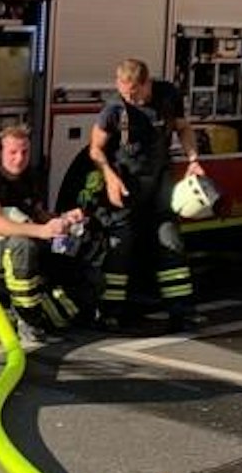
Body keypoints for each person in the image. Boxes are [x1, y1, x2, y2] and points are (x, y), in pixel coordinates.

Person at [87, 57, 206, 332]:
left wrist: (193, 159)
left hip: (160, 180)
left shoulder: (167, 97)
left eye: (135, 93)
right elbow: (95, 149)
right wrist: (110, 177)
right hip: (126, 184)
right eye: (125, 92)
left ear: (147, 83)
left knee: (170, 242)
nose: (130, 98)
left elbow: (183, 128)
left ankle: (182, 312)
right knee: (120, 246)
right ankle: (109, 312)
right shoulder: (114, 109)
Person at [0, 124, 83, 345]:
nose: (19, 158)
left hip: (28, 239)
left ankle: (58, 309)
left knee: (70, 249)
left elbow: (38, 213)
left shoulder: (29, 178)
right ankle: (27, 320)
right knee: (23, 247)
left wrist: (63, 219)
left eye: (24, 152)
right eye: (12, 152)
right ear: (0, 153)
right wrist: (41, 231)